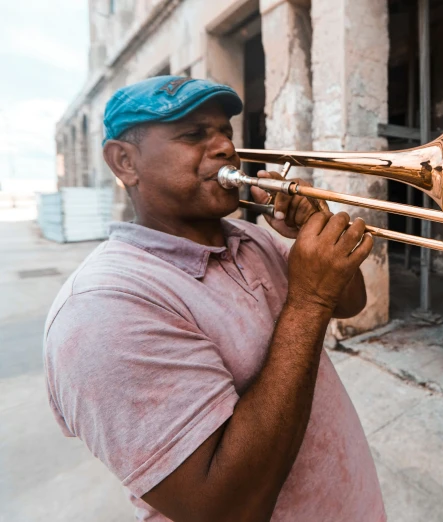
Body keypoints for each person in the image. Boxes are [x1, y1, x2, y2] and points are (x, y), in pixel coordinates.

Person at [43, 76, 386, 522]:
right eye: (193, 134)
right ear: (125, 162)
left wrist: (312, 239)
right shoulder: (100, 310)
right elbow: (227, 510)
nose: (225, 146)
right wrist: (308, 302)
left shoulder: (248, 237)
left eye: (225, 131)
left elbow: (349, 304)